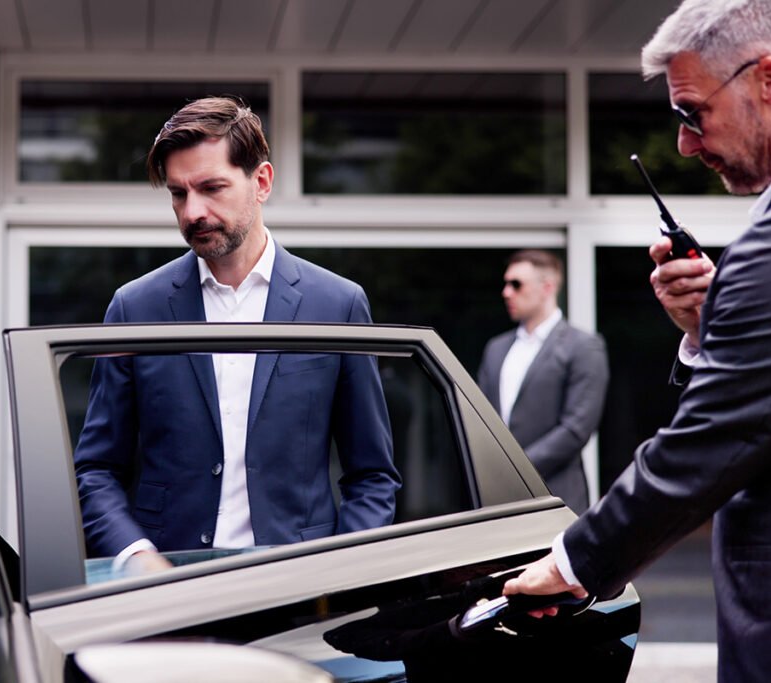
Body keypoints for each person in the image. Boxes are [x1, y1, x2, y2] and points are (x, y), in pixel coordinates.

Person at [503, 1, 771, 679]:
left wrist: (572, 562)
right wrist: (707, 329)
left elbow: (712, 441)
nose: (685, 145)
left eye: (692, 113)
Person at [73, 96, 400, 571]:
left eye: (211, 188)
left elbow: (372, 476)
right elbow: (97, 470)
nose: (192, 212)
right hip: (167, 588)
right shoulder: (135, 307)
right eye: (178, 194)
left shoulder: (337, 305)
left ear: (261, 182)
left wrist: (339, 573)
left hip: (299, 585)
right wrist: (135, 556)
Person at [477, 250, 608, 514]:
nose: (506, 292)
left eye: (516, 284)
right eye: (506, 284)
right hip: (496, 500)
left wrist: (518, 469)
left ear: (547, 287)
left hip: (556, 499)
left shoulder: (583, 346)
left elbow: (576, 429)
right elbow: (479, 418)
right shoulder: (496, 348)